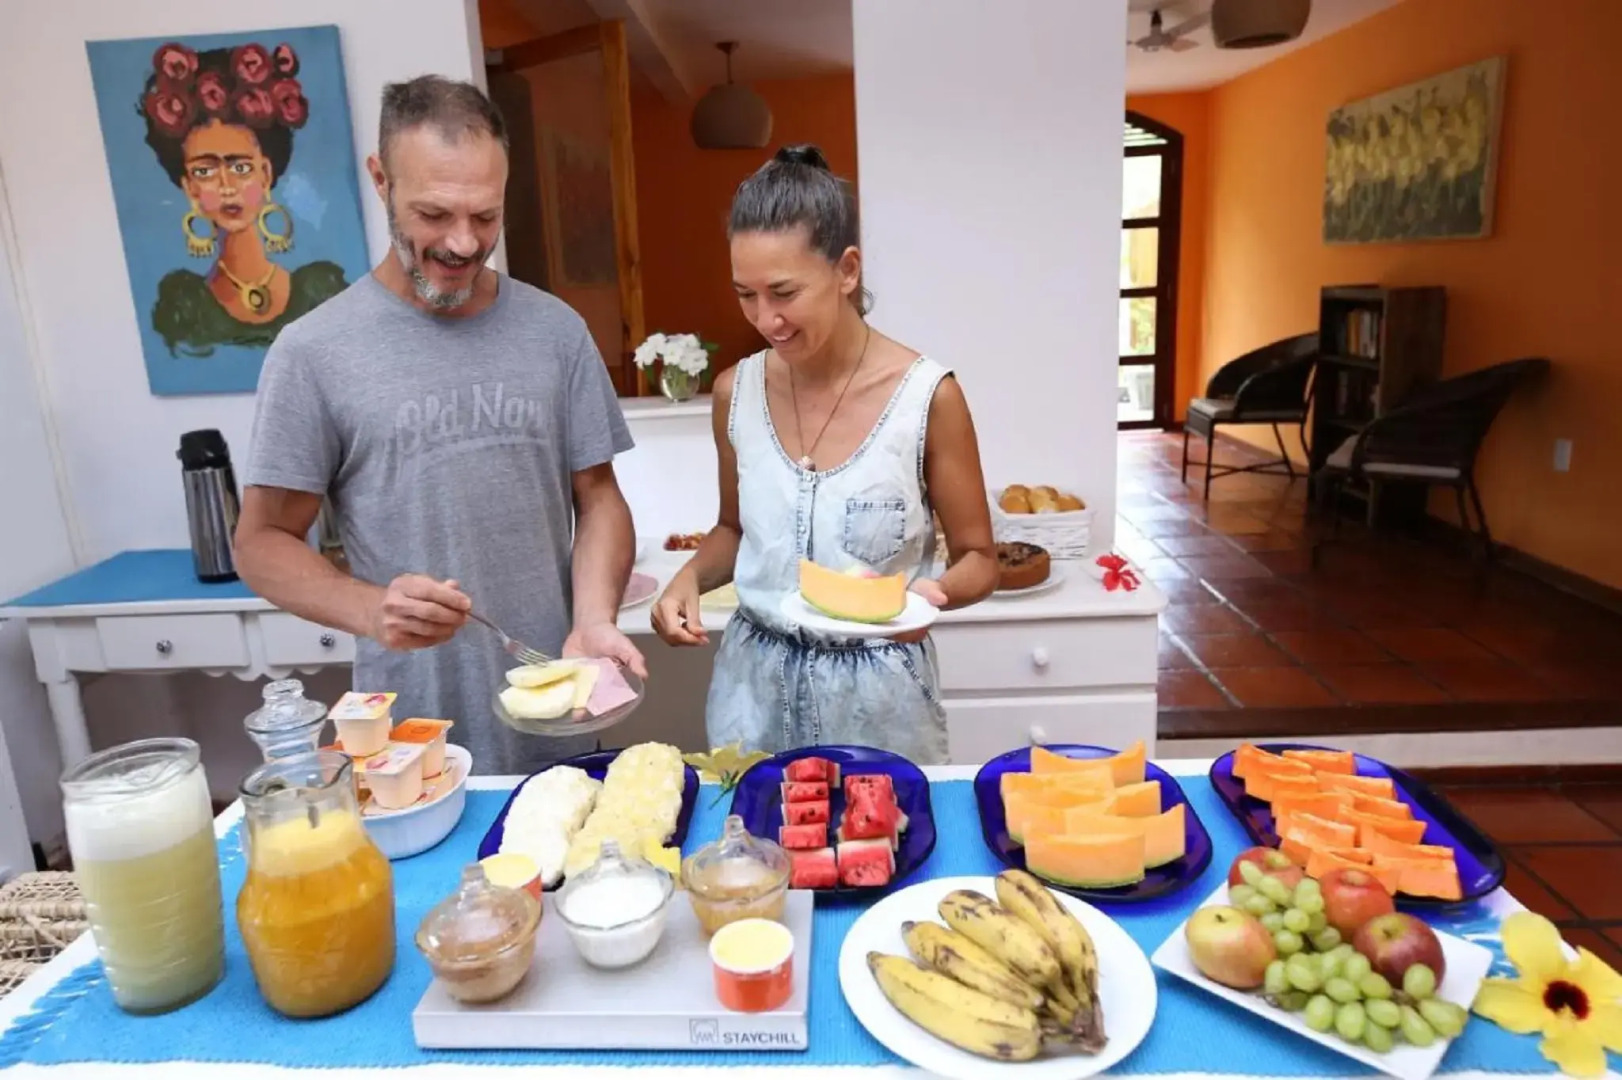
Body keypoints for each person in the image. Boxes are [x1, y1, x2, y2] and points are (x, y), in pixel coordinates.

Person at [236, 75, 644, 774]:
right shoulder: (313, 353)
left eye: (486, 217)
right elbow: (261, 542)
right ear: (380, 180)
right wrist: (370, 610)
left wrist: (596, 616)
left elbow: (599, 498)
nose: (463, 243)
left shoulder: (556, 332)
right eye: (433, 215)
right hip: (409, 747)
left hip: (561, 722)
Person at [650, 145, 998, 764]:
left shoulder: (928, 397)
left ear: (847, 270)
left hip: (882, 709)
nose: (766, 319)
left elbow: (979, 557)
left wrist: (930, 595)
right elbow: (734, 529)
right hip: (749, 702)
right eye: (746, 295)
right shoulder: (735, 393)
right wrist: (689, 577)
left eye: (783, 292)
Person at [138, 40, 348, 356]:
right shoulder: (184, 309)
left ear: (265, 173)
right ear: (189, 187)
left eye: (240, 166)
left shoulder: (321, 292)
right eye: (205, 171)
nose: (226, 186)